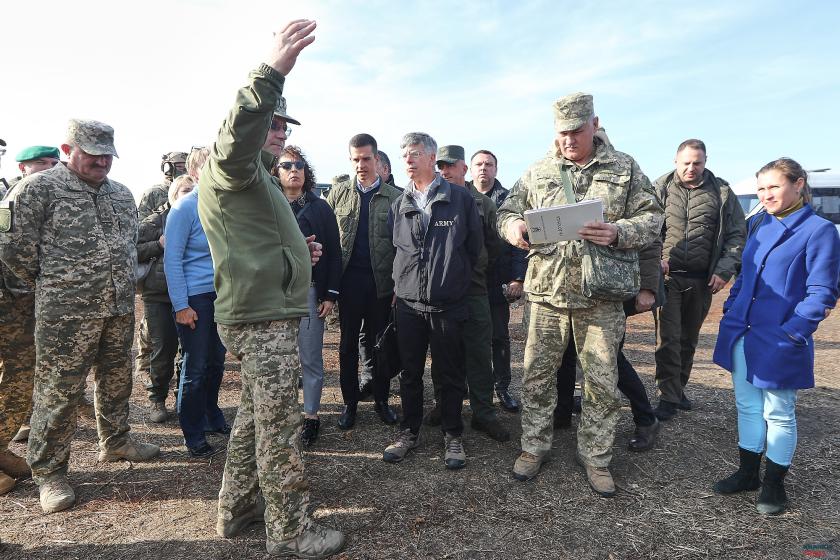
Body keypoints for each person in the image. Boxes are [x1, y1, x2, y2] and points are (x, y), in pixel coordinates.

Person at [196, 20, 345, 557]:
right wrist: (272, 72)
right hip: (261, 319)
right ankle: (290, 533)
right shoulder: (233, 166)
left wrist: (298, 255)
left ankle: (236, 508)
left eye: (285, 125)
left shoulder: (258, 178)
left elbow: (255, 240)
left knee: (255, 419)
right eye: (273, 123)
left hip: (264, 310)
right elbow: (238, 130)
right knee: (280, 428)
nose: (280, 131)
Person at [498, 93, 662, 496]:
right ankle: (534, 447)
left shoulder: (623, 167)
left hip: (600, 296)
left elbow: (653, 217)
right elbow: (506, 211)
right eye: (561, 133)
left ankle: (596, 457)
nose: (568, 140)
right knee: (537, 376)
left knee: (601, 381)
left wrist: (619, 232)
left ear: (595, 124)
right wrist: (514, 228)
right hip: (547, 294)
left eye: (576, 131)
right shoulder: (539, 170)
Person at [0, 119, 160, 513]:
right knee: (60, 392)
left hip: (118, 308)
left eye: (108, 155)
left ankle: (116, 441)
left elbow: (127, 245)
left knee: (117, 378)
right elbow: (13, 252)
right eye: (92, 154)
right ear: (67, 150)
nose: (102, 161)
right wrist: (50, 291)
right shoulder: (37, 189)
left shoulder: (121, 193)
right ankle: (49, 472)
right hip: (65, 315)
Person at [712, 158, 840, 515]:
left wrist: (794, 331)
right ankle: (748, 473)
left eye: (774, 186)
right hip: (743, 330)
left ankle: (774, 484)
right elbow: (745, 275)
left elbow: (823, 291)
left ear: (798, 184)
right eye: (761, 188)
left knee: (779, 412)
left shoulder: (819, 230)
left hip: (780, 336)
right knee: (748, 406)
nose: (765, 195)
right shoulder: (759, 223)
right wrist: (731, 308)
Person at [383, 132, 482, 469]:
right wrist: (403, 286)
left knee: (450, 373)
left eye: (414, 154)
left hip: (447, 305)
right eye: (404, 155)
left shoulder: (459, 199)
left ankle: (452, 435)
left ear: (430, 157)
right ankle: (408, 432)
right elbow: (397, 250)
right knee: (409, 372)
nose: (408, 161)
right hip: (409, 304)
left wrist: (452, 282)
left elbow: (474, 249)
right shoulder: (400, 203)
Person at [653, 139, 746, 420]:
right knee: (668, 339)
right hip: (667, 279)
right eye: (686, 163)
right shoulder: (659, 189)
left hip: (702, 281)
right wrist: (655, 260)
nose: (691, 168)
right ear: (676, 161)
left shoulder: (722, 192)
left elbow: (736, 235)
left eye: (697, 163)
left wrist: (724, 270)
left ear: (705, 162)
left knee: (688, 339)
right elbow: (647, 229)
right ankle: (668, 396)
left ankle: (678, 388)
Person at [553, 237, 664, 451]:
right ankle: (563, 412)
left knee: (611, 359)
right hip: (574, 291)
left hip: (612, 289)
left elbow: (650, 240)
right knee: (566, 351)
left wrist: (648, 288)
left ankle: (646, 419)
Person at [325, 133, 402, 430]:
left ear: (377, 159)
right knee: (347, 346)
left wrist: (398, 285)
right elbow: (329, 241)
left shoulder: (394, 198)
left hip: (381, 284)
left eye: (366, 159)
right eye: (355, 159)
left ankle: (382, 400)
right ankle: (350, 404)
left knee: (379, 344)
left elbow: (403, 246)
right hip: (348, 284)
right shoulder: (338, 194)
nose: (361, 165)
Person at [434, 144, 508, 442]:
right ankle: (443, 405)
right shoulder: (433, 200)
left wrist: (475, 269)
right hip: (442, 293)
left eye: (451, 166)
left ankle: (483, 413)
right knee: (443, 355)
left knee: (479, 354)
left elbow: (495, 245)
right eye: (441, 166)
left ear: (464, 169)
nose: (445, 171)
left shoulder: (483, 204)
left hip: (475, 290)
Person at [274, 145, 341, 446]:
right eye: (287, 165)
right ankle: (282, 415)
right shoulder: (269, 206)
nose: (294, 170)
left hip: (310, 291)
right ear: (275, 172)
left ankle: (311, 416)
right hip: (273, 293)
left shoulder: (320, 208)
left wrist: (329, 295)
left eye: (299, 165)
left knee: (310, 357)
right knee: (278, 357)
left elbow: (335, 254)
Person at [164, 173, 228, 458]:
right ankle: (193, 434)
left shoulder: (224, 204)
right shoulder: (185, 207)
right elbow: (172, 259)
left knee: (216, 363)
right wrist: (181, 305)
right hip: (195, 299)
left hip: (222, 295)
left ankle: (211, 414)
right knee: (196, 367)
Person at [1, 146, 61, 445]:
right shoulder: (15, 195)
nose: (49, 168)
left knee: (23, 368)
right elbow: (13, 251)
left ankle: (14, 430)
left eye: (54, 163)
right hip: (11, 298)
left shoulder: (54, 197)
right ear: (23, 167)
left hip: (28, 299)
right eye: (41, 163)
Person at [467, 149, 527, 412]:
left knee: (499, 337)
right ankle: (471, 385)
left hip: (498, 280)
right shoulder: (462, 195)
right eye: (479, 164)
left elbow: (519, 244)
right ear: (470, 169)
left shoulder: (509, 200)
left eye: (489, 164)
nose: (483, 168)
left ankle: (502, 387)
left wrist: (517, 278)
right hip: (468, 280)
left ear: (496, 169)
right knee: (468, 336)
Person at [136, 169, 197, 424]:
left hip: (192, 293)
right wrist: (158, 245)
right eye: (185, 191)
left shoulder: (200, 217)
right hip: (159, 295)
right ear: (173, 195)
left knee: (190, 351)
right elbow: (131, 249)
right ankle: (157, 399)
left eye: (193, 191)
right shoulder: (154, 222)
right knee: (164, 349)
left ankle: (183, 398)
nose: (190, 195)